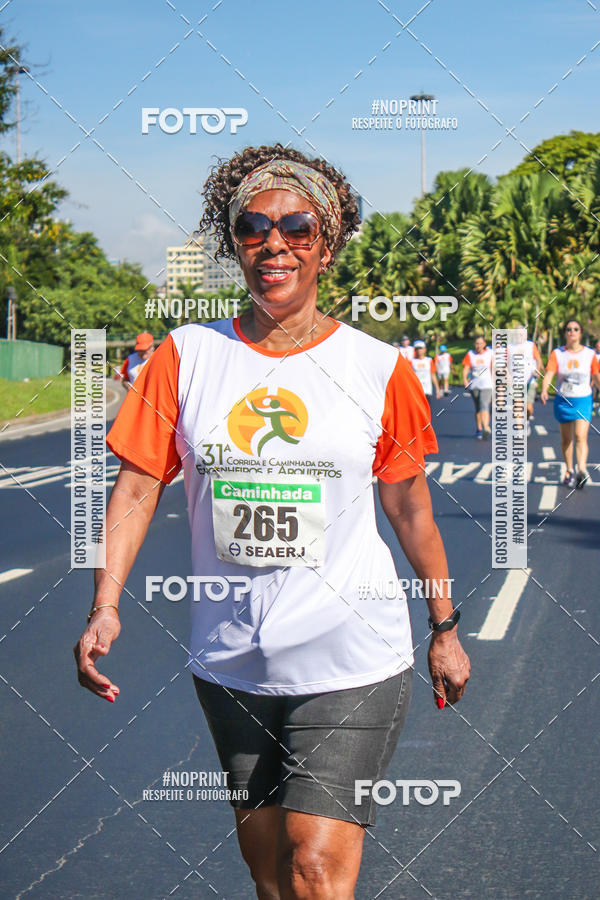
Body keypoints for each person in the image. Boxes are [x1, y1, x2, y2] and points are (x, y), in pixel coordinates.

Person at [73, 145, 470, 900]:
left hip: (353, 655)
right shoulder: (185, 357)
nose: (274, 243)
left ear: (328, 243)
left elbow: (409, 506)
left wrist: (445, 625)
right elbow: (133, 490)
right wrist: (105, 604)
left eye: (296, 227)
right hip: (232, 661)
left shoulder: (376, 369)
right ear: (234, 245)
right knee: (268, 872)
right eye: (253, 227)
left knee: (315, 865)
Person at [540, 318, 600, 488]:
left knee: (581, 436)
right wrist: (544, 390)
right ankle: (569, 470)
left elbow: (595, 376)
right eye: (568, 329)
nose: (572, 332)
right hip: (563, 400)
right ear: (565, 333)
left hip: (583, 400)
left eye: (575, 329)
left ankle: (581, 470)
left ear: (580, 333)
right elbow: (549, 373)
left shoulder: (589, 354)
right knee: (566, 439)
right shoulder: (558, 353)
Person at [509, 326, 544, 436]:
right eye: (517, 334)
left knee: (528, 408)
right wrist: (507, 375)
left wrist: (537, 370)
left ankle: (526, 420)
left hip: (530, 380)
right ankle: (519, 430)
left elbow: (538, 360)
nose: (519, 336)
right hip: (515, 382)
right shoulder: (509, 347)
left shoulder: (530, 345)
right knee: (518, 406)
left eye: (522, 334)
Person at [462, 335, 494, 439]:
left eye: (480, 343)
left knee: (484, 405)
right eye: (476, 343)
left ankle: (486, 427)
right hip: (474, 384)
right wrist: (465, 381)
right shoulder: (470, 355)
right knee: (478, 408)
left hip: (487, 384)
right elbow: (466, 369)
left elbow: (494, 368)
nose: (478, 345)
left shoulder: (490, 353)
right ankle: (479, 428)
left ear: (484, 344)